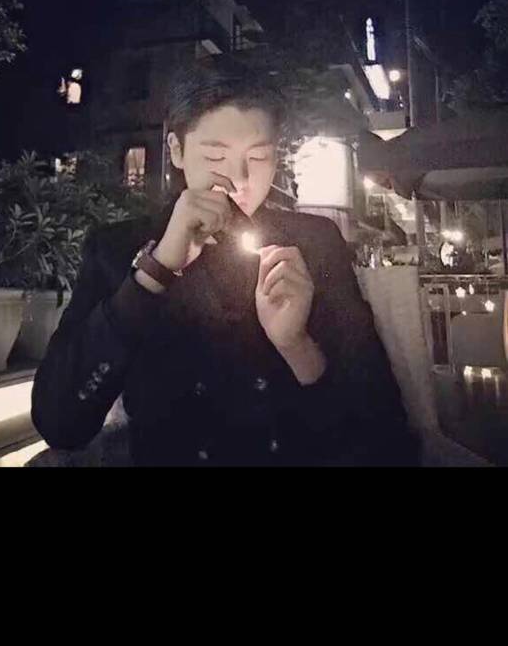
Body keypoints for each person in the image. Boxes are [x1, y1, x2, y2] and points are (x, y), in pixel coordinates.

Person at [31, 56, 420, 466]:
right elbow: (60, 422)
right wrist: (154, 272)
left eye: (259, 156)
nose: (239, 179)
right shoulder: (117, 248)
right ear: (177, 151)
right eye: (216, 157)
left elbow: (384, 436)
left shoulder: (314, 243)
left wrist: (296, 346)